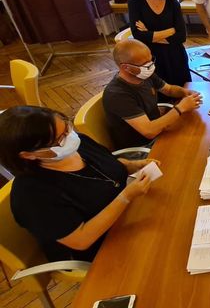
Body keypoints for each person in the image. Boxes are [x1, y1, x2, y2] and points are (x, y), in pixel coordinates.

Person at [0, 106, 155, 262]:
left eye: (67, 127)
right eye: (59, 139)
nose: (69, 137)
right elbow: (82, 240)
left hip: (129, 215)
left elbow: (110, 164)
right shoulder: (32, 196)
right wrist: (126, 197)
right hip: (103, 247)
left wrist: (132, 165)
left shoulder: (78, 144)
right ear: (28, 155)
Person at [103, 40, 202, 150]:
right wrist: (180, 108)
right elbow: (149, 131)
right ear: (126, 67)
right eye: (144, 64)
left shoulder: (144, 75)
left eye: (151, 60)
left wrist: (184, 92)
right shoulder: (117, 95)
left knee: (197, 136)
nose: (150, 66)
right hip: (143, 146)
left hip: (159, 131)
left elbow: (168, 89)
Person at [128, 0, 191, 87]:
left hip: (175, 56)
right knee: (159, 97)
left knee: (182, 92)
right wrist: (171, 30)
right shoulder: (135, 1)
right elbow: (139, 36)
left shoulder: (172, 3)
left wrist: (150, 34)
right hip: (151, 58)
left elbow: (181, 36)